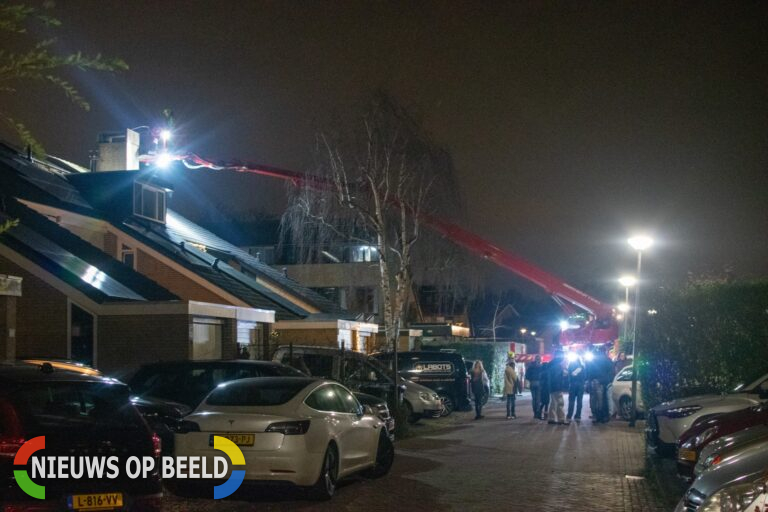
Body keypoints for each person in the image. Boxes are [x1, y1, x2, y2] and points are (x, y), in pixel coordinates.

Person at [547, 351, 569, 425]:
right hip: (557, 386)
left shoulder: (551, 363)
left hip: (552, 386)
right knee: (560, 402)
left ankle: (551, 418)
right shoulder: (559, 365)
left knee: (553, 402)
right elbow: (562, 375)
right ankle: (561, 419)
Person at [566, 353, 586, 422]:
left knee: (571, 400)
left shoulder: (571, 365)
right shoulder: (582, 366)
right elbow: (585, 376)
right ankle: (578, 415)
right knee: (579, 401)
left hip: (573, 385)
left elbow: (568, 374)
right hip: (580, 385)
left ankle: (569, 415)